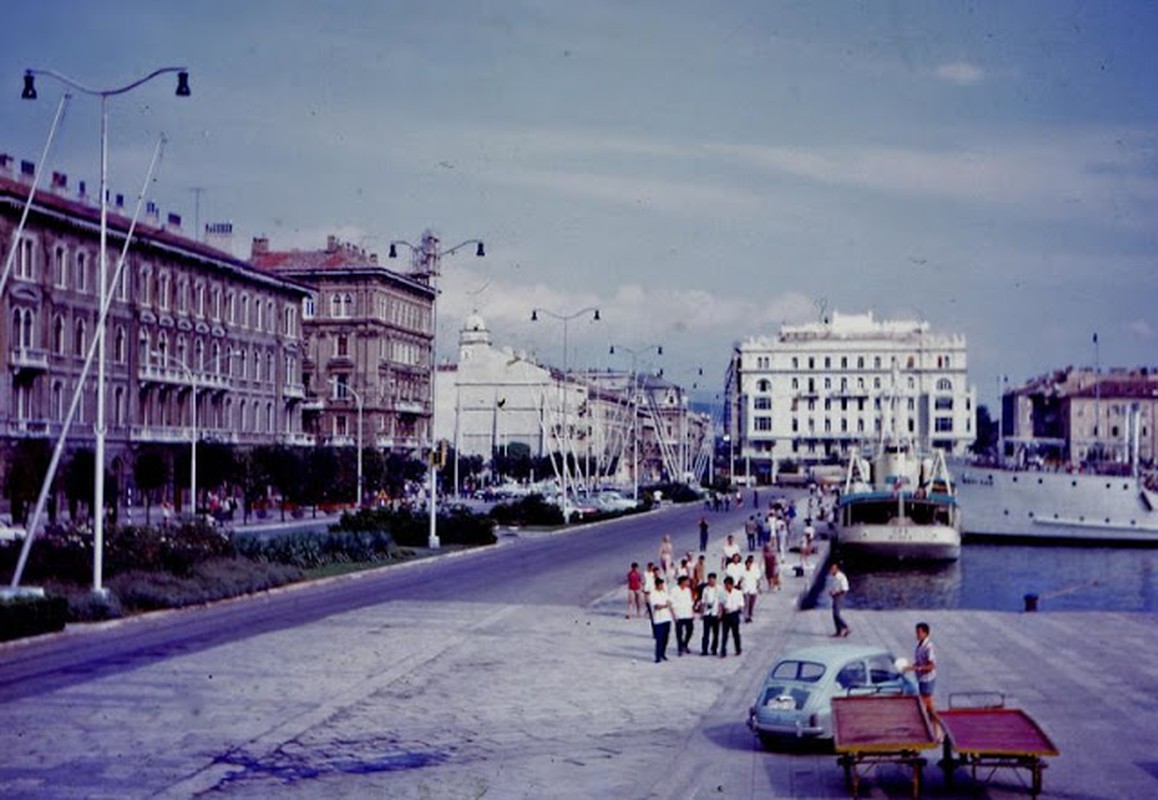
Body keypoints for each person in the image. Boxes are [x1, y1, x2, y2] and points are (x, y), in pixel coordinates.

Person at [907, 622, 938, 723]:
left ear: (925, 633)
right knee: (928, 703)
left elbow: (931, 665)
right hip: (921, 678)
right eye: (916, 632)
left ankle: (927, 720)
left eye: (919, 632)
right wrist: (912, 666)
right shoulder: (920, 645)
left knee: (925, 701)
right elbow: (920, 661)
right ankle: (933, 721)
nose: (917, 635)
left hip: (927, 679)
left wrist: (918, 668)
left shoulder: (928, 647)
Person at [649, 577, 673, 663]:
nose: (662, 586)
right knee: (659, 638)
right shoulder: (653, 594)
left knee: (665, 638)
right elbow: (656, 606)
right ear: (656, 585)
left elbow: (670, 602)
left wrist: (665, 605)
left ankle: (663, 653)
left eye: (662, 585)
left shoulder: (665, 593)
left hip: (667, 618)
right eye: (660, 585)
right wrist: (665, 605)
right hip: (658, 619)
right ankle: (657, 656)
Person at [671, 575, 696, 656]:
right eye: (687, 581)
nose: (688, 583)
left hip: (688, 613)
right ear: (682, 582)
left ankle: (685, 644)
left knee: (690, 630)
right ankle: (680, 648)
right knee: (679, 632)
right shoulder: (674, 590)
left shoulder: (688, 590)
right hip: (679, 614)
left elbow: (690, 602)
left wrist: (692, 612)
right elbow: (671, 603)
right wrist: (673, 614)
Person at [719, 575, 743, 657]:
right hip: (725, 615)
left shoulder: (738, 593)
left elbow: (741, 604)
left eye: (728, 585)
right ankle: (723, 651)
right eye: (725, 585)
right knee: (724, 634)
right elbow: (721, 604)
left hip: (734, 614)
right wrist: (720, 613)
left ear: (732, 584)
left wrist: (734, 609)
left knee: (735, 633)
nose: (726, 586)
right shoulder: (722, 593)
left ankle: (738, 649)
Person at [698, 572, 722, 656]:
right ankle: (704, 649)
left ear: (715, 580)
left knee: (716, 633)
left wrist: (720, 612)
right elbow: (703, 601)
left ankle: (714, 648)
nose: (711, 581)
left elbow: (721, 602)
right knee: (706, 633)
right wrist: (701, 613)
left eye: (713, 580)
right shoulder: (705, 589)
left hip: (715, 612)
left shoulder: (719, 588)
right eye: (710, 580)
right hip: (707, 613)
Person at [828, 561, 851, 637]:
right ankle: (838, 631)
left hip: (840, 596)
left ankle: (846, 627)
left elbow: (844, 588)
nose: (831, 570)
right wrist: (831, 592)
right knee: (834, 614)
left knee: (836, 614)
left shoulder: (841, 577)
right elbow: (834, 586)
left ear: (837, 569)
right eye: (831, 569)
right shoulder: (833, 577)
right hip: (835, 596)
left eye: (833, 569)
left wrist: (836, 593)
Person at [742, 554, 762, 622]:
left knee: (751, 604)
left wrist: (759, 587)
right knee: (746, 604)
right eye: (747, 564)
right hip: (745, 590)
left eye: (750, 564)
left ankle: (750, 615)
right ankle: (746, 617)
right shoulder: (742, 572)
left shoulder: (754, 571)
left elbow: (757, 580)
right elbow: (740, 581)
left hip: (753, 589)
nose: (748, 565)